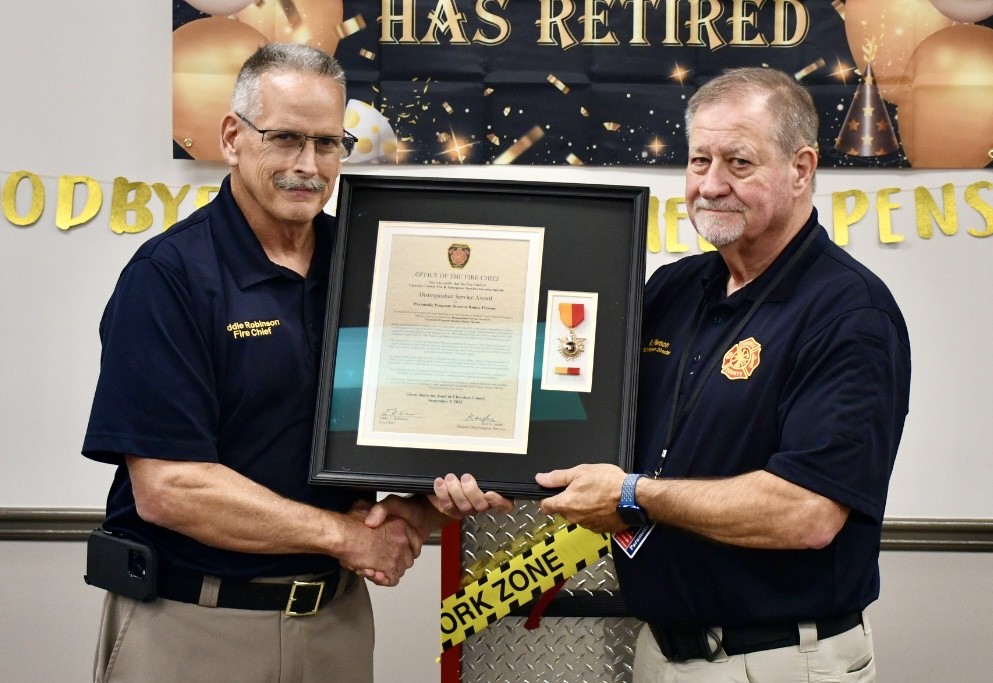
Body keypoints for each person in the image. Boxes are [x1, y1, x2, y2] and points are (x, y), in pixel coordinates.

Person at [82, 43, 508, 683]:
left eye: (328, 143)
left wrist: (426, 506)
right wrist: (350, 538)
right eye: (284, 139)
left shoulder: (375, 266)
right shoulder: (169, 278)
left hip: (334, 625)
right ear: (232, 136)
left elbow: (423, 417)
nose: (308, 166)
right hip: (195, 626)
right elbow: (170, 490)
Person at [536, 67, 911, 682]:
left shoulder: (849, 315)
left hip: (779, 660)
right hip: (660, 652)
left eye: (739, 163)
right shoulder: (673, 289)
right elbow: (586, 416)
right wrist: (483, 469)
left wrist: (632, 495)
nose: (711, 186)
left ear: (801, 168)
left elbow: (807, 512)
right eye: (698, 160)